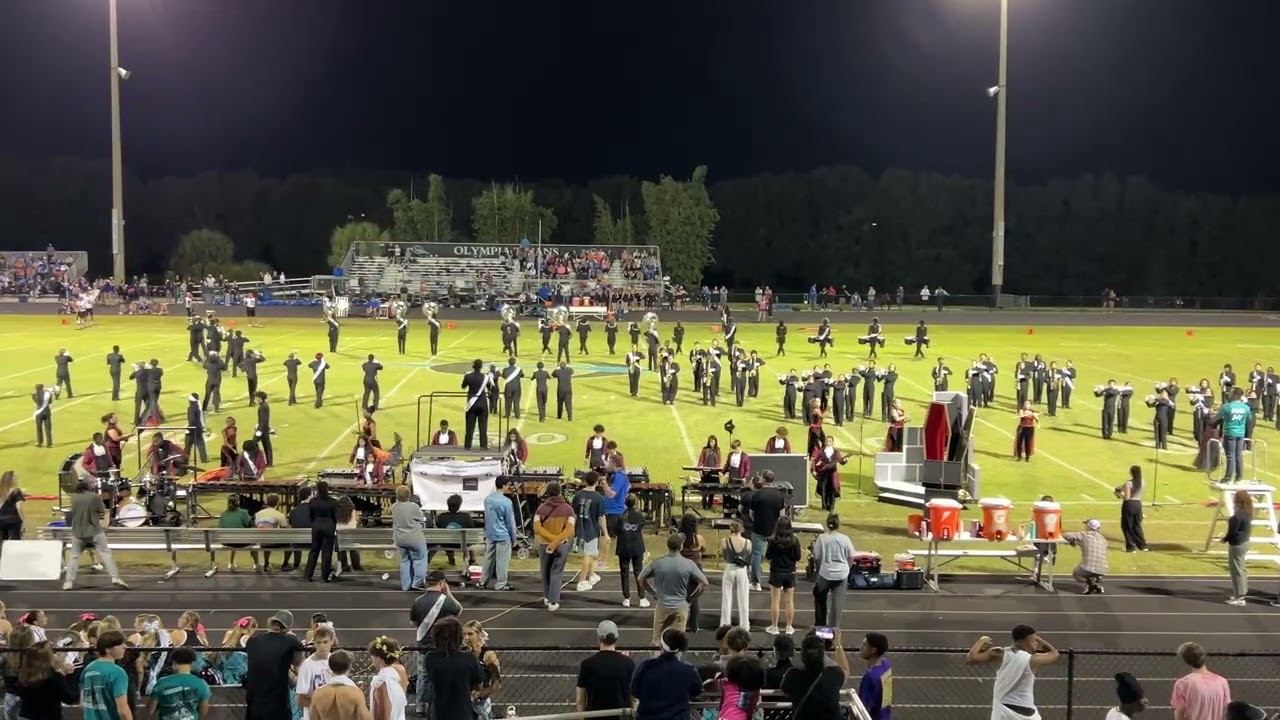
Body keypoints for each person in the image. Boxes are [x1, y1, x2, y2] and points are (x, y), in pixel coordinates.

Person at [964, 625, 1060, 720]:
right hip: (1028, 714)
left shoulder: (998, 653)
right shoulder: (1034, 660)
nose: (1036, 644)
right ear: (1020, 641)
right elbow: (1054, 653)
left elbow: (971, 658)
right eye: (1032, 641)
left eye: (1036, 641)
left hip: (1004, 711)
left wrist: (982, 641)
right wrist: (1038, 638)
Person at [639, 533, 709, 647]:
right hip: (681, 606)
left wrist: (653, 593)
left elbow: (641, 579)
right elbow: (704, 583)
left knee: (657, 641)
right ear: (681, 546)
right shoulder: (689, 564)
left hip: (662, 605)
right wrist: (691, 599)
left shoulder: (657, 562)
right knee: (678, 643)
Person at [411, 569, 463, 712]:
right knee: (443, 675)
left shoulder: (418, 601)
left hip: (423, 646)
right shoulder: (445, 601)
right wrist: (448, 593)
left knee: (422, 676)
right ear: (442, 583)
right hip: (441, 646)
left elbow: (413, 623)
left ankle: (420, 706)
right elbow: (458, 610)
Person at [63, 480, 128, 591]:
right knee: (106, 554)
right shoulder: (94, 497)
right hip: (95, 531)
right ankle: (115, 577)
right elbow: (104, 511)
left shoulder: (74, 497)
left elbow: (73, 513)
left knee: (74, 557)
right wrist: (105, 522)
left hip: (78, 532)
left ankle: (69, 582)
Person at [630, 628, 703, 720]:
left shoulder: (646, 666)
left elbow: (634, 690)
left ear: (661, 645)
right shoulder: (689, 670)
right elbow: (696, 691)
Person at [243, 610, 305, 720]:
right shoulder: (291, 640)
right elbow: (297, 661)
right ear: (288, 627)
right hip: (277, 703)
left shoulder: (253, 640)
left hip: (254, 703)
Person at [419, 618, 484, 720]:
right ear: (459, 637)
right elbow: (478, 685)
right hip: (463, 713)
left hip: (439, 713)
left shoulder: (430, 658)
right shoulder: (469, 658)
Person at [780, 630, 851, 720]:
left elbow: (786, 690)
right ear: (822, 654)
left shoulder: (792, 675)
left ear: (802, 654)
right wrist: (838, 644)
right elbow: (845, 670)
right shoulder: (835, 673)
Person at [575, 620, 635, 713]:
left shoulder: (587, 665)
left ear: (599, 638)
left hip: (595, 717)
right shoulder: (628, 664)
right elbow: (633, 698)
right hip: (622, 716)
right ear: (616, 637)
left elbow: (580, 701)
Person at [533, 481, 576, 612]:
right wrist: (556, 541)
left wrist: (551, 540)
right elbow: (569, 530)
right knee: (556, 573)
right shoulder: (568, 509)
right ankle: (553, 601)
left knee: (545, 572)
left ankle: (547, 597)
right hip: (561, 545)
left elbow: (537, 528)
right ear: (560, 492)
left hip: (544, 544)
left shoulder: (541, 508)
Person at [14, 640, 78, 720]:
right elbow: (70, 698)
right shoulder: (55, 678)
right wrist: (70, 676)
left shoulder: (24, 676)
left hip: (26, 716)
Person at [145, 646, 212, 720]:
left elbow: (150, 710)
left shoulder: (162, 683)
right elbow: (204, 711)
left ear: (174, 663)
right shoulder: (201, 684)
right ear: (192, 663)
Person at [812, 514, 854, 627]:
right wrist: (847, 568)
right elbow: (851, 556)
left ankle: (820, 627)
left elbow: (817, 557)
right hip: (841, 574)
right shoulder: (845, 539)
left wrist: (818, 571)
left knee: (820, 600)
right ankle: (834, 631)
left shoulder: (822, 538)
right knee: (837, 605)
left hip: (825, 573)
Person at [748, 469, 787, 590]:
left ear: (764, 479)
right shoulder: (779, 495)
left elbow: (751, 514)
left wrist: (758, 522)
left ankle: (756, 583)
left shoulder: (757, 495)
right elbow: (782, 514)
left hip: (759, 529)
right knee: (776, 555)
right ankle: (776, 582)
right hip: (774, 530)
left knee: (756, 555)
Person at [1171, 641, 1231, 720]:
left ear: (1186, 661)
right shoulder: (1222, 682)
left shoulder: (1183, 684)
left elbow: (1179, 715)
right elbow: (1226, 711)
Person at [80, 630, 131, 720]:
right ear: (108, 649)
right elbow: (122, 709)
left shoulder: (88, 669)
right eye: (120, 644)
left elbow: (82, 703)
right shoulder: (117, 672)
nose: (125, 646)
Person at [308, 650, 371, 720]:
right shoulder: (355, 693)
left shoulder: (318, 694)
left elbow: (312, 717)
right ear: (349, 666)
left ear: (330, 667)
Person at [479, 477, 517, 591]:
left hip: (490, 533)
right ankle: (501, 583)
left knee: (488, 558)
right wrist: (513, 537)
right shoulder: (506, 502)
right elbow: (510, 522)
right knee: (502, 560)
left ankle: (482, 581)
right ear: (505, 485)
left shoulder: (487, 499)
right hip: (503, 535)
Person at [765, 516, 801, 635]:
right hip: (790, 572)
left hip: (776, 572)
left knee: (775, 600)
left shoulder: (773, 540)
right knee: (789, 601)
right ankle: (789, 626)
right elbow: (798, 557)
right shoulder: (794, 540)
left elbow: (768, 555)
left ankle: (774, 626)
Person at [572, 471, 607, 591]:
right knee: (588, 554)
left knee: (592, 552)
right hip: (591, 530)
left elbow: (575, 513)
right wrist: (606, 533)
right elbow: (601, 517)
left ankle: (591, 575)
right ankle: (582, 581)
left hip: (581, 528)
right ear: (597, 482)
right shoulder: (599, 498)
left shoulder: (578, 495)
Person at [615, 494, 650, 608]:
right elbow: (641, 526)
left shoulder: (620, 517)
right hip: (636, 546)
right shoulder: (640, 516)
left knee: (624, 573)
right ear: (635, 503)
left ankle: (626, 598)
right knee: (639, 572)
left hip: (624, 547)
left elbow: (616, 531)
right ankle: (642, 598)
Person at [391, 485, 428, 592]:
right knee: (420, 559)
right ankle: (418, 583)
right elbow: (421, 518)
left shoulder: (394, 507)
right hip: (414, 537)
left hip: (400, 538)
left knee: (404, 561)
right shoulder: (414, 506)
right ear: (409, 495)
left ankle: (406, 585)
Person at [675, 513, 708, 633]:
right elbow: (704, 549)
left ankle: (679, 624)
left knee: (679, 595)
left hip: (682, 567)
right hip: (696, 567)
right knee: (694, 598)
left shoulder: (679, 538)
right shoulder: (699, 538)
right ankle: (694, 626)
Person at [1221, 489, 1254, 606]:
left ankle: (1239, 596)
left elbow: (1232, 531)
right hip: (1245, 542)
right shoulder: (1248, 512)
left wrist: (1224, 539)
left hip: (1237, 544)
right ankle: (1241, 592)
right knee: (1241, 568)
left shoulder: (1238, 515)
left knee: (1236, 570)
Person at [295, 625, 335, 720]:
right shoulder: (307, 665)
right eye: (319, 642)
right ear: (314, 644)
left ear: (332, 641)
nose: (322, 646)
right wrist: (321, 707)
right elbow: (300, 699)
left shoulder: (335, 661)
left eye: (325, 642)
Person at [720, 519, 753, 630]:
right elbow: (748, 558)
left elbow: (725, 556)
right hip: (741, 570)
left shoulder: (725, 541)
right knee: (744, 598)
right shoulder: (748, 542)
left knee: (726, 598)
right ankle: (744, 624)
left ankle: (725, 623)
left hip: (730, 568)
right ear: (742, 529)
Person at [1063, 519, 1110, 594]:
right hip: (1103, 568)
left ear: (1089, 526)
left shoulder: (1084, 535)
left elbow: (1066, 535)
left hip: (1088, 568)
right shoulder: (1103, 539)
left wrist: (1072, 540)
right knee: (1096, 568)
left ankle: (1090, 583)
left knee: (1076, 574)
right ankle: (1099, 584)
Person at [303, 481, 338, 583]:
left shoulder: (313, 501)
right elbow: (335, 517)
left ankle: (308, 575)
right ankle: (325, 576)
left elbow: (311, 516)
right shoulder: (333, 502)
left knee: (314, 551)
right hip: (328, 526)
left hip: (316, 526)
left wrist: (315, 523)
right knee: (327, 553)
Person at [367, 636, 409, 720]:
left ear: (379, 658)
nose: (371, 658)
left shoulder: (381, 682)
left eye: (372, 655)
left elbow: (382, 714)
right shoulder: (397, 675)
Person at [1217, 388, 1252, 482]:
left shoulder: (1227, 406)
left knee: (1230, 456)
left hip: (1230, 433)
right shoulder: (1246, 407)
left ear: (1235, 395)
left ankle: (1228, 477)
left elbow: (1217, 417)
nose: (1229, 394)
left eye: (1231, 393)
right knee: (1239, 455)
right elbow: (1249, 419)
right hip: (1241, 433)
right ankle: (1239, 476)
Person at [858, 632, 892, 720]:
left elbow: (862, 708)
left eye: (864, 645)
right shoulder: (885, 664)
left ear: (873, 650)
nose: (861, 647)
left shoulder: (870, 677)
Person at [460, 359, 491, 449]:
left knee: (469, 426)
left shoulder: (468, 376)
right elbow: (490, 388)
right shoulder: (485, 377)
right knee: (483, 426)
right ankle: (483, 445)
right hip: (482, 403)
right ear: (481, 367)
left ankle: (467, 445)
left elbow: (463, 386)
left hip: (471, 404)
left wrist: (465, 377)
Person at [1117, 465, 1148, 552]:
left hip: (1129, 505)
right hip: (1138, 504)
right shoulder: (1142, 482)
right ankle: (1142, 545)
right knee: (1137, 525)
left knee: (1127, 526)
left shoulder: (1129, 483)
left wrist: (1119, 494)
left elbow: (1126, 498)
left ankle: (1130, 547)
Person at [0, 470, 26, 546]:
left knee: (1, 543)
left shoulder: (1, 491)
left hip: (1, 520)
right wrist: (23, 519)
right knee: (15, 543)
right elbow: (19, 507)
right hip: (14, 521)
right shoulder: (17, 492)